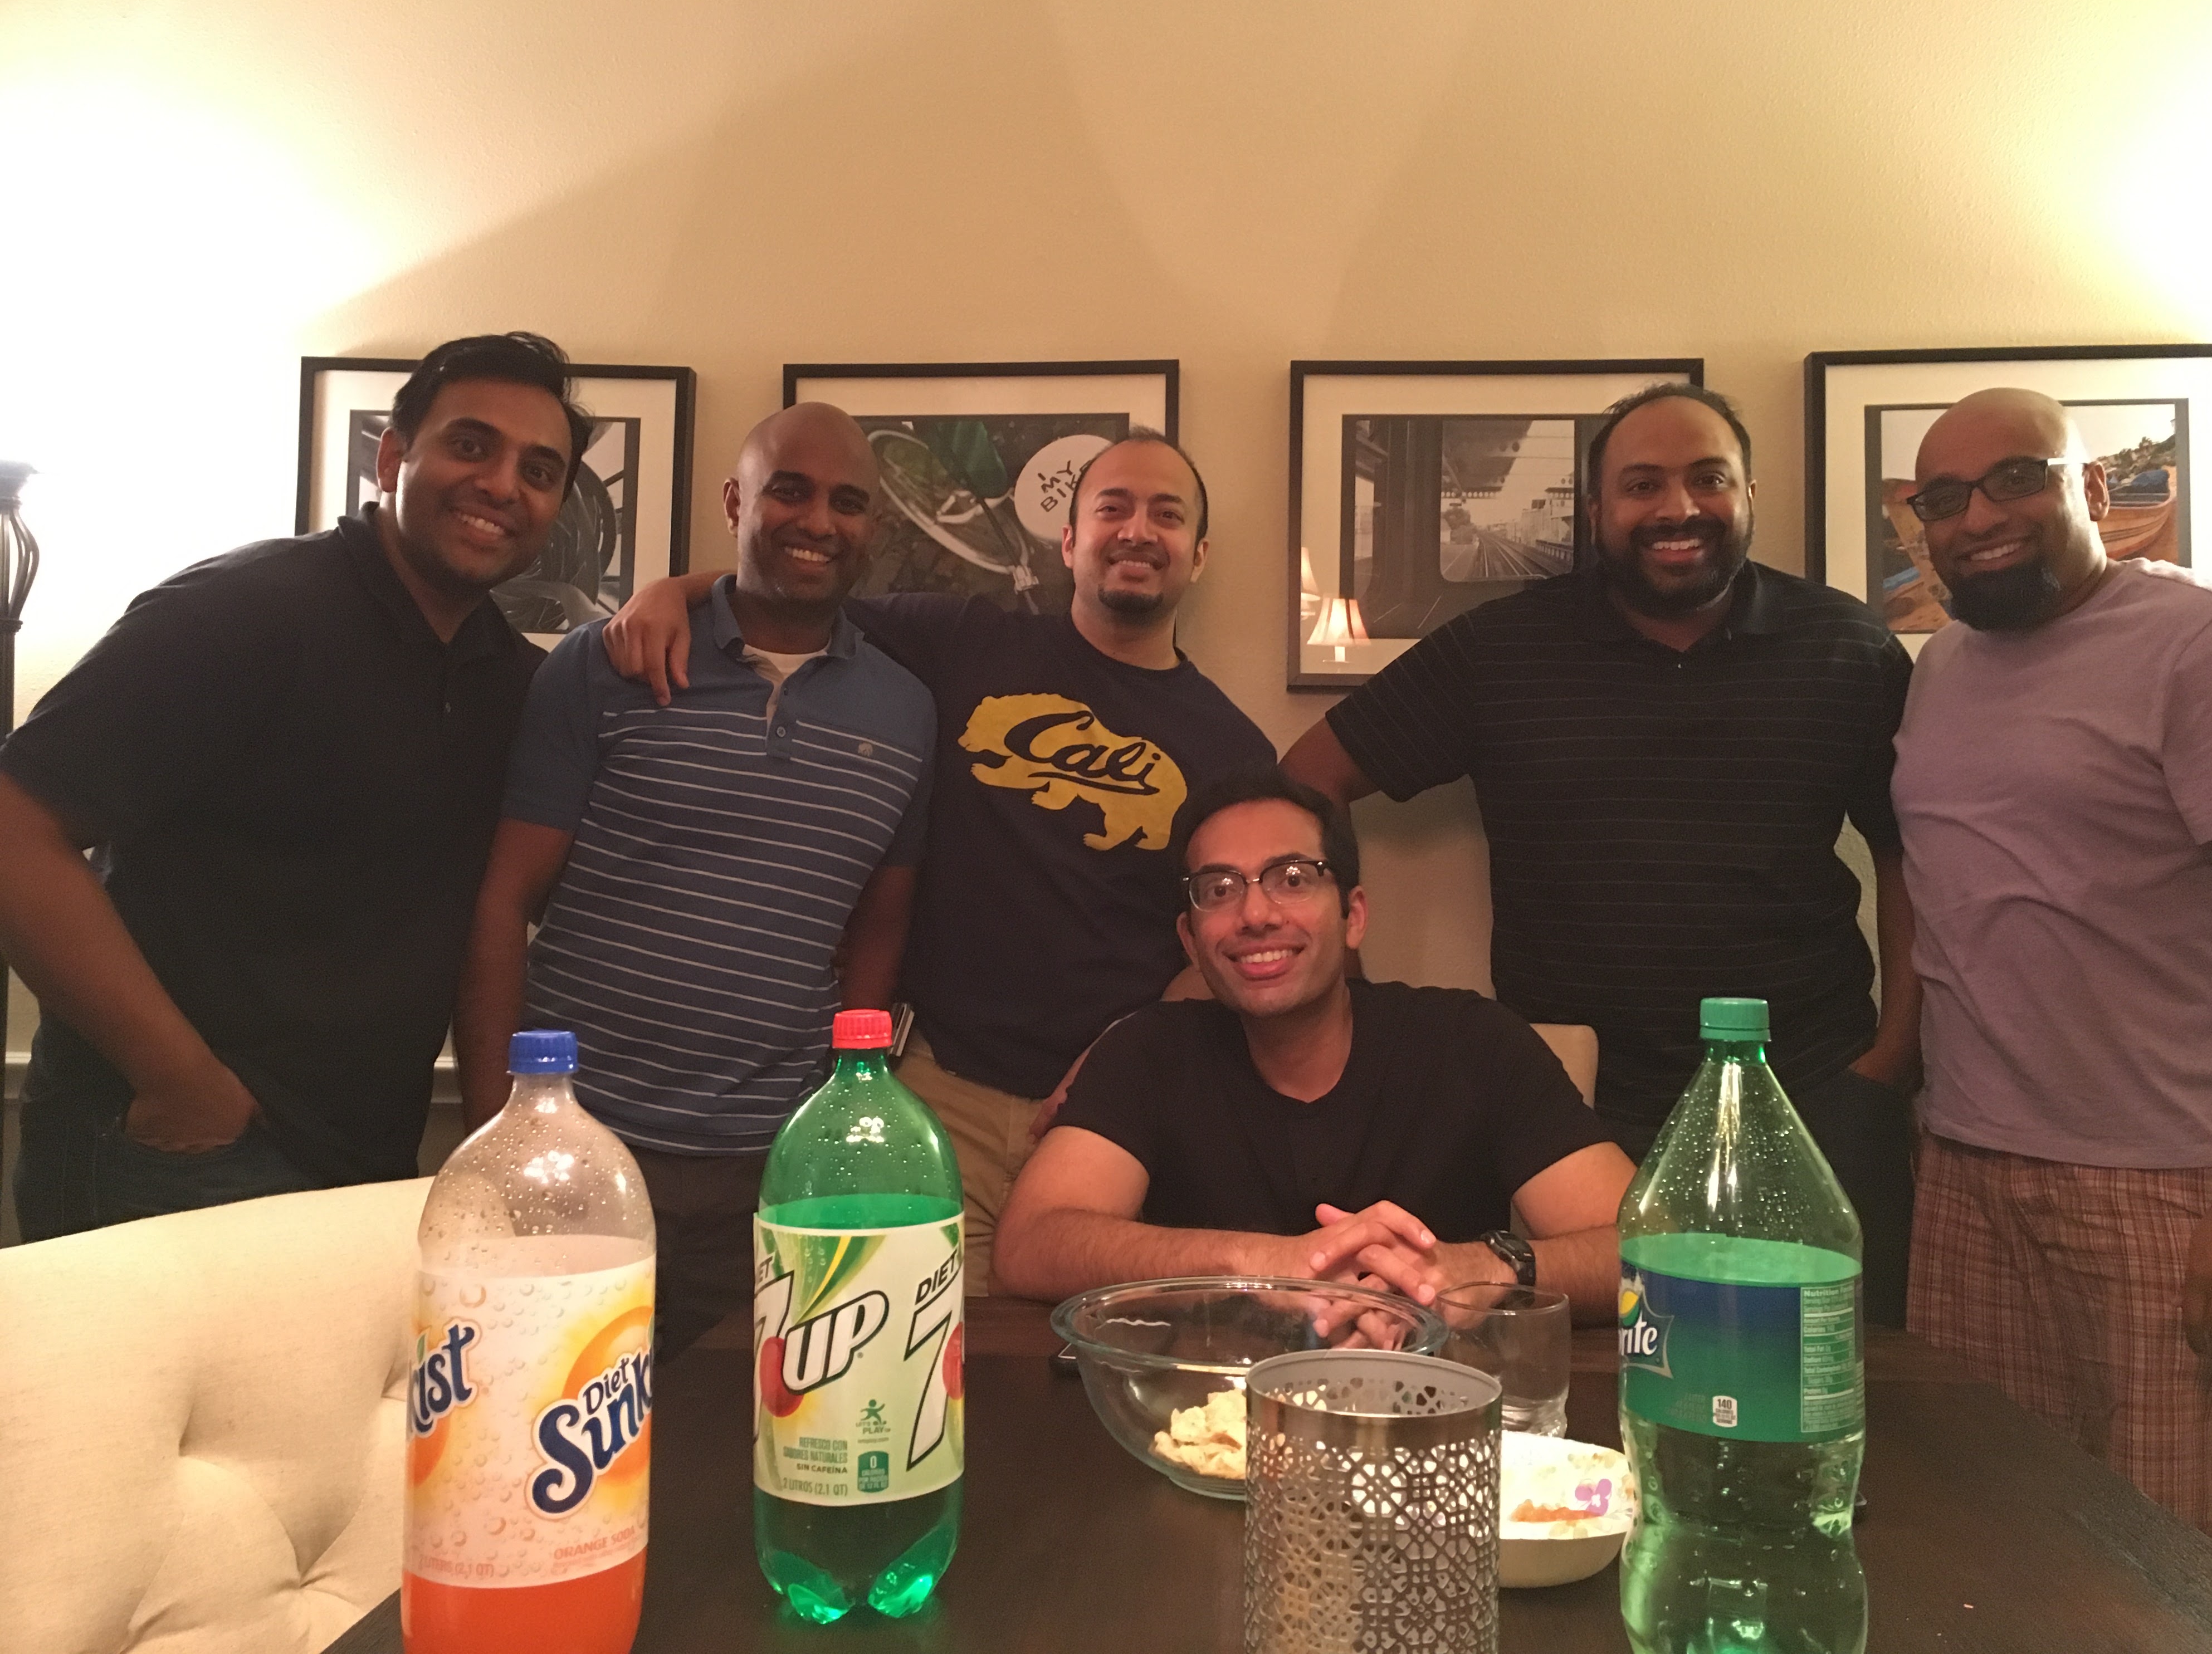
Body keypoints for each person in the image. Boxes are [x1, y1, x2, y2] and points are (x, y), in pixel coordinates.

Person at [1282, 383, 1923, 1324]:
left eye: (1708, 479)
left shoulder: (1847, 647)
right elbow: (1307, 781)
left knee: (1830, 1372)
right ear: (1596, 511)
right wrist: (1347, 997)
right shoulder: (1501, 650)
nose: (1677, 507)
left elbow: (1912, 849)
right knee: (1598, 1377)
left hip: (1812, 1090)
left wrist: (1893, 1055)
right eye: (1642, 484)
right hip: (1572, 1108)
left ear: (1748, 495)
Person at [603, 428, 1275, 1296]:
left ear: (1200, 553)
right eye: (1113, 508)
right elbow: (795, 596)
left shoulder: (1233, 749)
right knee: (901, 1332)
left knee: (1083, 1354)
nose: (1138, 530)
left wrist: (1123, 1056)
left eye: (1167, 515)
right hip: (934, 1091)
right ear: (1070, 540)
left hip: (1111, 1116)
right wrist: (674, 591)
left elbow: (1221, 942)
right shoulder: (965, 640)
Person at [0, 332, 588, 1239]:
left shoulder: (511, 679)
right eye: (472, 445)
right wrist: (180, 1082)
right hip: (170, 1152)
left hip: (364, 1160)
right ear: (393, 457)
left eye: (539, 471)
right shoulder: (240, 612)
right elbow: (16, 829)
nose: (503, 484)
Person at [453, 403, 934, 1358]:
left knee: (751, 1423)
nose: (818, 521)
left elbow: (880, 927)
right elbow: (503, 903)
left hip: (769, 1164)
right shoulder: (608, 663)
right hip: (579, 1144)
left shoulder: (907, 709)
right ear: (734, 501)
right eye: (788, 491)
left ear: (873, 526)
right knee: (553, 1414)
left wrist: (837, 1129)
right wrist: (495, 1139)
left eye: (847, 503)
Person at [1892, 386, 2212, 1557]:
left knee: (2176, 1554)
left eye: (2016, 478)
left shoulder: (2206, 642)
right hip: (1967, 1169)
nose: (1977, 517)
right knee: (1995, 1532)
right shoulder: (1945, 661)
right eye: (1944, 498)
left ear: (2092, 488)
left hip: (2166, 1184)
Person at [991, 765, 1635, 1306]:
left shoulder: (1473, 1043)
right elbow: (1029, 1244)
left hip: (1438, 1400)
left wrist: (1482, 1270)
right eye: (1219, 889)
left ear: (1353, 915)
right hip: (1207, 1403)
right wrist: (1262, 1266)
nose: (1255, 914)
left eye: (1293, 879)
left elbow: (1651, 1250)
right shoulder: (1148, 1052)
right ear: (1191, 939)